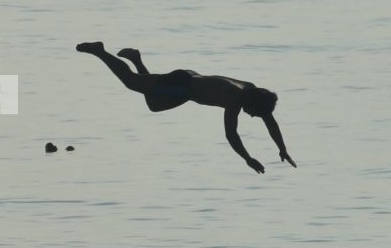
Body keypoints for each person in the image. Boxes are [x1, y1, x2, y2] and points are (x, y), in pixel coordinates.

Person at [76, 42, 297, 174]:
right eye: (252, 113)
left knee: (153, 104)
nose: (250, 115)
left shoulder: (251, 89)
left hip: (189, 84)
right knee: (131, 82)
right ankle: (100, 51)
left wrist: (283, 148)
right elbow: (231, 134)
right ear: (250, 104)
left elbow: (270, 120)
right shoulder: (234, 98)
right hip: (182, 85)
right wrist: (247, 159)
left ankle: (136, 58)